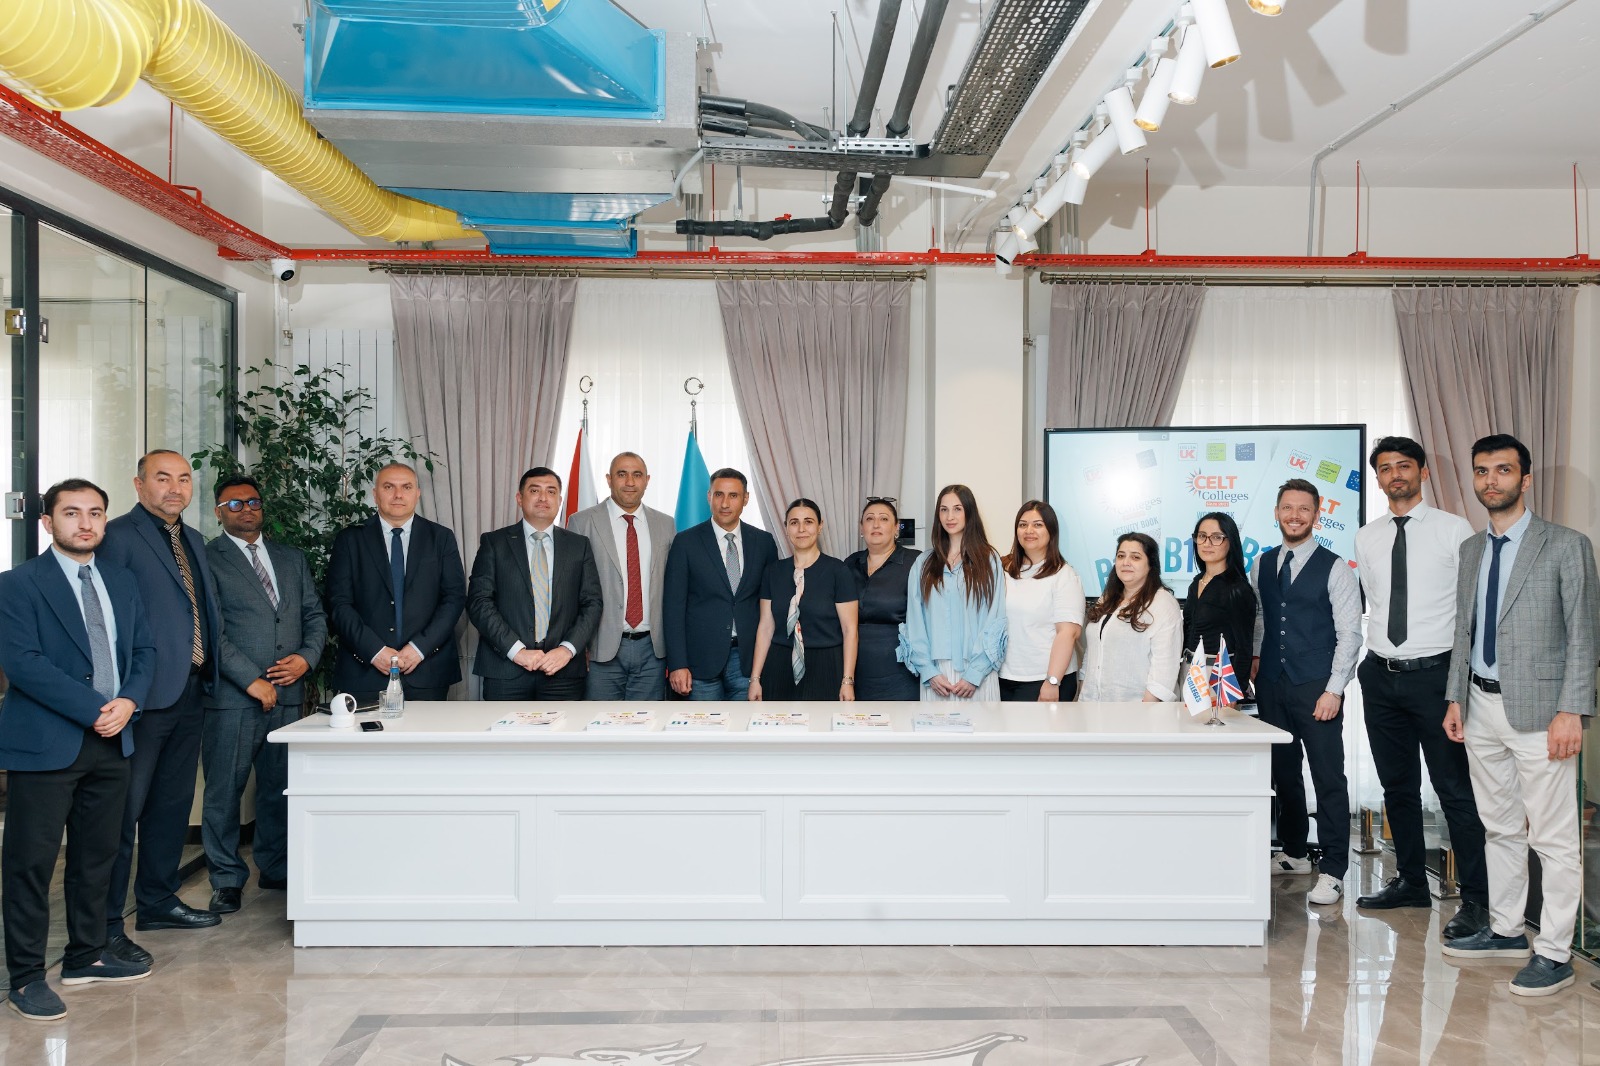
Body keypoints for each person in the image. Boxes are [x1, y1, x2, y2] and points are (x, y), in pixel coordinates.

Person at [1440, 433, 1598, 997]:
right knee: (1500, 827)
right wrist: (1455, 697)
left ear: (1525, 479)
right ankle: (1507, 929)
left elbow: (1584, 634)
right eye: (1482, 471)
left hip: (1542, 712)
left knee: (1553, 838)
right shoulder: (1471, 551)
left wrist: (1571, 710)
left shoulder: (1565, 545)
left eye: (1503, 470)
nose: (1492, 481)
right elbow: (1464, 631)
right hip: (1479, 707)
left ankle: (1554, 952)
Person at [0, 480, 156, 1021]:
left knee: (97, 857)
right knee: (31, 865)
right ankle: (25, 978)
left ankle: (85, 956)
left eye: (95, 513)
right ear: (48, 522)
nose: (85, 523)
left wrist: (130, 700)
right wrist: (96, 708)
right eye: (71, 513)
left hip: (114, 740)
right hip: (47, 744)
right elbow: (23, 664)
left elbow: (144, 650)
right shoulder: (17, 584)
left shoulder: (122, 580)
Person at [1352, 437, 1487, 939]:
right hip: (1380, 674)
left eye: (1404, 466)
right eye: (1386, 468)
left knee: (1454, 790)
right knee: (1397, 787)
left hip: (1437, 676)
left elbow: (1472, 609)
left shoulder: (1455, 530)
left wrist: (1458, 688)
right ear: (1378, 479)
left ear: (1423, 472)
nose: (1395, 475)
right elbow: (1376, 602)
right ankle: (1411, 882)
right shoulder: (1366, 537)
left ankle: (1477, 901)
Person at [98, 449, 224, 955]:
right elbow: (106, 621)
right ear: (138, 484)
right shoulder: (117, 537)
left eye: (184, 479)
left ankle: (156, 901)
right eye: (163, 478)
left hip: (190, 690)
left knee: (171, 806)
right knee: (122, 813)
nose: (175, 488)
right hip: (141, 698)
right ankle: (105, 925)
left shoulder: (191, 538)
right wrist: (123, 692)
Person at [201, 475, 327, 913]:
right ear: (218, 512)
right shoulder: (207, 559)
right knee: (225, 791)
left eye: (253, 502)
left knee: (279, 788)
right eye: (234, 504)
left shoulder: (290, 558)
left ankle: (276, 867)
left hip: (289, 693)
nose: (246, 510)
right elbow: (210, 632)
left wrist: (306, 659)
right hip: (234, 698)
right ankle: (226, 879)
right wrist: (249, 679)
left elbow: (314, 615)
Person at [1251, 478, 1362, 908]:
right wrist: (1257, 661)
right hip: (1272, 684)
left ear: (1317, 515)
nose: (1294, 516)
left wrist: (1334, 689)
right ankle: (1295, 853)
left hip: (1317, 687)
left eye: (1303, 509)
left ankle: (1333, 870)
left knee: (1328, 777)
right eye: (1287, 508)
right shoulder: (1263, 563)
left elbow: (1350, 634)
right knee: (1283, 771)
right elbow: (1263, 618)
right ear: (1277, 513)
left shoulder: (1336, 568)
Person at [326, 461, 466, 702]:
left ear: (417, 494)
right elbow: (338, 604)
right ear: (375, 494)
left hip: (427, 670)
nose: (398, 494)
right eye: (389, 487)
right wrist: (375, 651)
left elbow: (453, 599)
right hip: (364, 671)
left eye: (406, 487)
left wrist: (419, 649)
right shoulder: (350, 539)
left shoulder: (441, 538)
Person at [468, 467, 602, 700]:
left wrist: (567, 649)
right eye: (534, 490)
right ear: (519, 498)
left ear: (559, 500)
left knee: (563, 726)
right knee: (505, 726)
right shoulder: (494, 543)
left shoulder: (579, 545)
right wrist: (516, 651)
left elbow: (592, 603)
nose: (543, 497)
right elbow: (479, 602)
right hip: (506, 670)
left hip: (562, 671)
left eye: (551, 491)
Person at [663, 468, 779, 701]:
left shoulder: (764, 542)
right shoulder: (685, 542)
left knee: (745, 724)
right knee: (703, 725)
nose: (725, 503)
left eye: (733, 495)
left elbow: (770, 605)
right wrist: (677, 663)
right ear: (709, 496)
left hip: (748, 661)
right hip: (699, 662)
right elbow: (673, 607)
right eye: (719, 495)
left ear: (745, 499)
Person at [568, 452, 677, 701]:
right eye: (621, 474)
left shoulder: (666, 524)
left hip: (653, 651)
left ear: (647, 480)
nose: (629, 482)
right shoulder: (582, 522)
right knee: (599, 722)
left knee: (646, 721)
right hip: (599, 649)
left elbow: (674, 588)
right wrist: (578, 644)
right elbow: (570, 589)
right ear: (609, 479)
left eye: (637, 475)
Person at [900, 485, 1007, 702]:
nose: (950, 516)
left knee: (981, 725)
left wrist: (975, 673)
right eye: (944, 509)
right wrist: (929, 672)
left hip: (978, 674)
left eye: (957, 509)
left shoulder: (989, 560)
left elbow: (995, 618)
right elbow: (915, 622)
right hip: (936, 676)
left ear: (969, 512)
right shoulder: (923, 563)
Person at [748, 499, 860, 701]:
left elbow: (850, 630)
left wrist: (847, 681)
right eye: (794, 523)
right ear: (786, 528)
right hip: (778, 666)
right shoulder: (773, 572)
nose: (801, 529)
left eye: (808, 522)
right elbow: (765, 627)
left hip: (826, 665)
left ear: (820, 526)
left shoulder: (838, 571)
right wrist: (755, 678)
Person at [1078, 532, 1182, 703]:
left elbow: (1165, 670)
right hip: (1092, 705)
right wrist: (1083, 695)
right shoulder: (1107, 598)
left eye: (1135, 557)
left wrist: (1145, 712)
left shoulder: (1163, 603)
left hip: (1136, 710)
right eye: (1121, 556)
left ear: (1150, 565)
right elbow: (1093, 652)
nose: (1126, 562)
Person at [997, 500, 1085, 702]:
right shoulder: (1004, 571)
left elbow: (1068, 633)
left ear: (1051, 531)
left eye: (1038, 525)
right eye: (1023, 525)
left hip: (1044, 680)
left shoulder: (1064, 576)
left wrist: (1052, 681)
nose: (1029, 530)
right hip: (1004, 677)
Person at [844, 497, 921, 701]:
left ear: (896, 528)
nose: (876, 524)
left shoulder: (916, 562)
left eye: (884, 519)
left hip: (901, 672)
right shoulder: (850, 564)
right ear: (861, 528)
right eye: (869, 519)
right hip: (855, 672)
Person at [1182, 512, 1257, 705]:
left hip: (1218, 676)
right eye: (1202, 536)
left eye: (1216, 537)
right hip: (1190, 671)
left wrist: (1233, 691)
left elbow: (1244, 647)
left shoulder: (1238, 589)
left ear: (1230, 541)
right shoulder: (1196, 583)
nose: (1207, 543)